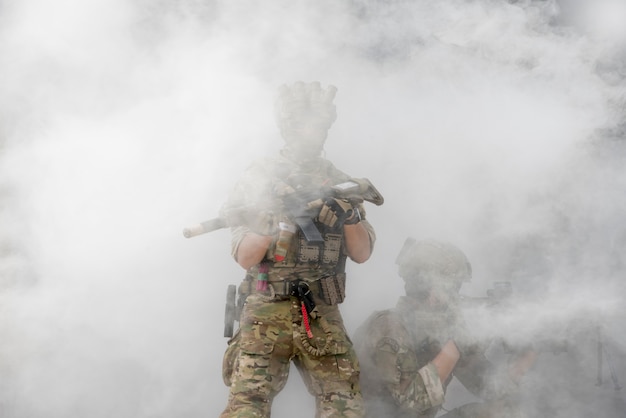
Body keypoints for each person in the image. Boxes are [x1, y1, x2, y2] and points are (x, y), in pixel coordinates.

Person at [219, 81, 379, 417]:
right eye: (299, 123)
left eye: (316, 124)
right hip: (265, 310)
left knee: (344, 406)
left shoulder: (341, 182)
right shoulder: (259, 179)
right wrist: (277, 217)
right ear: (285, 127)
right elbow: (246, 256)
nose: (308, 132)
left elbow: (362, 253)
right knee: (247, 407)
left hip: (320, 311)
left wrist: (347, 216)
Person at [353, 238, 536, 418]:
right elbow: (409, 405)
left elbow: (489, 387)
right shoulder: (387, 327)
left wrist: (528, 354)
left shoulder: (440, 329)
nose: (457, 296)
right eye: (454, 287)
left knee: (503, 412)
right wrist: (456, 344)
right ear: (432, 290)